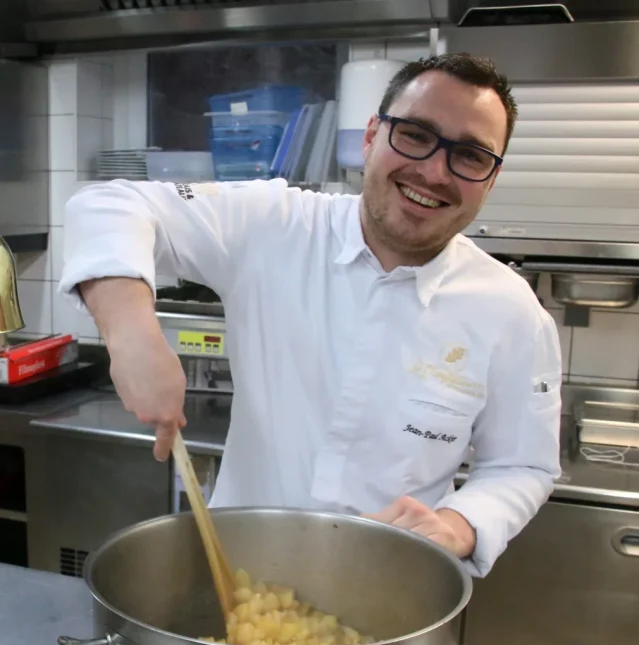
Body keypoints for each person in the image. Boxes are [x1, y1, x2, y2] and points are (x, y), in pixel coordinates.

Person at [59, 53, 562, 578]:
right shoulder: (276, 226)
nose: (435, 172)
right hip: (240, 583)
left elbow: (522, 465)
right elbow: (108, 204)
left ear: (491, 178)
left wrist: (461, 523)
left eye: (471, 156)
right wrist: (132, 333)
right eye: (415, 135)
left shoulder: (511, 313)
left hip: (391, 598)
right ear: (371, 137)